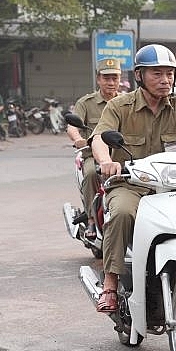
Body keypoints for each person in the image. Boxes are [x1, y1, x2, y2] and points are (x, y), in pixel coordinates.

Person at [90, 44, 176, 314]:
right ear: (140, 75)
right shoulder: (120, 106)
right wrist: (106, 162)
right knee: (120, 213)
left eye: (169, 73)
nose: (165, 80)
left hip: (171, 187)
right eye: (157, 73)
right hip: (131, 185)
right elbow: (100, 137)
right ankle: (110, 284)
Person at [69, 58, 122, 240]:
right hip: (93, 154)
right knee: (92, 173)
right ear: (98, 79)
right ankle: (91, 219)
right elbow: (72, 126)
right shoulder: (86, 102)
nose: (111, 82)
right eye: (106, 78)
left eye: (114, 78)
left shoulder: (126, 101)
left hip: (120, 154)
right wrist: (78, 139)